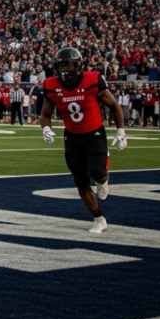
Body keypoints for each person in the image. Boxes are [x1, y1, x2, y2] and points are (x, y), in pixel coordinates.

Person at [39, 48, 127, 234]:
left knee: (97, 172)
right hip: (72, 137)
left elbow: (114, 106)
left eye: (68, 66)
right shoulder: (51, 84)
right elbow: (45, 114)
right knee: (80, 180)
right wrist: (45, 128)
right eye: (61, 66)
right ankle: (99, 219)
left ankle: (104, 177)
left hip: (94, 133)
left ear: (77, 65)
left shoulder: (93, 79)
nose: (64, 70)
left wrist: (120, 131)